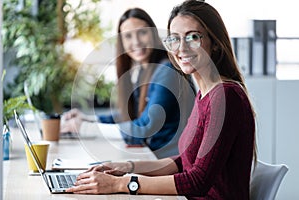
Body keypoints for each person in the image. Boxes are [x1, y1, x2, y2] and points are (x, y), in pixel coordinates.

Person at [66, 1, 257, 199]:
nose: (182, 48)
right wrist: (125, 167)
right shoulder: (204, 94)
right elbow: (183, 162)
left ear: (215, 43)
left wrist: (121, 184)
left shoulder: (225, 96)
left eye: (193, 37)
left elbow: (197, 181)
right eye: (175, 39)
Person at [61, 8, 196, 158]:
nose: (136, 42)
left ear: (153, 33)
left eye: (142, 32)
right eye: (128, 36)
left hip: (171, 162)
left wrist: (86, 128)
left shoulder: (166, 70)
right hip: (155, 157)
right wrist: (88, 118)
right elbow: (131, 115)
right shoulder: (143, 72)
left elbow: (146, 127)